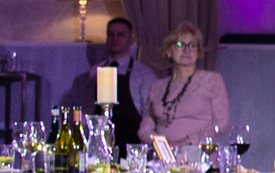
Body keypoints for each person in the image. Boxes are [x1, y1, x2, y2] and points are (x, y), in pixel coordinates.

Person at [138, 22, 230, 148]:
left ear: (198, 52)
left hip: (198, 152)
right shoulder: (157, 87)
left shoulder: (212, 80)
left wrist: (186, 141)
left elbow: (222, 124)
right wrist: (161, 144)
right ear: (169, 51)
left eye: (192, 45)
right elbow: (144, 129)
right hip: (163, 154)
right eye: (180, 44)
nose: (187, 50)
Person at [70, 17, 144, 149]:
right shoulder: (93, 73)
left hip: (131, 143)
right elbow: (87, 108)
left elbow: (148, 113)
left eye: (120, 35)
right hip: (99, 142)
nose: (115, 39)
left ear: (131, 39)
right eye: (111, 34)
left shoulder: (142, 74)